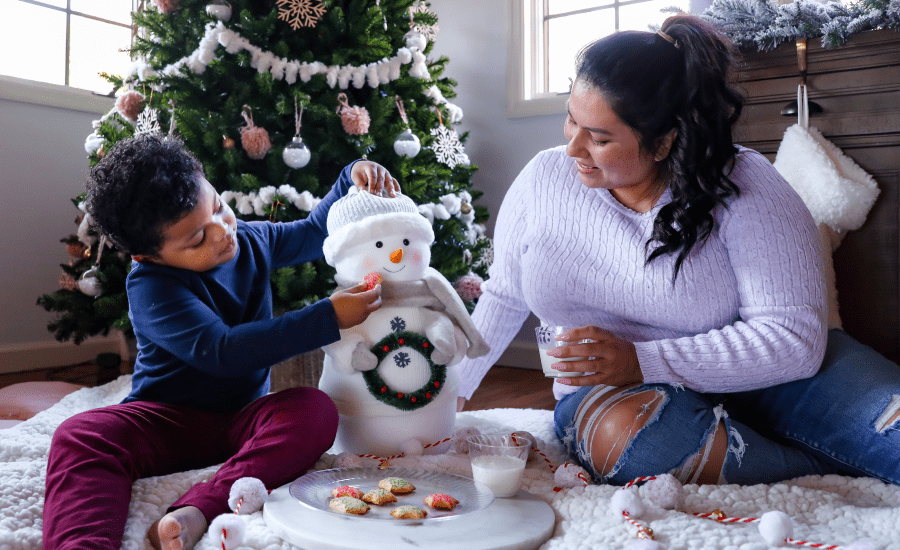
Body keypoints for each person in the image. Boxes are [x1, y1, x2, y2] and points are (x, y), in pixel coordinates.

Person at [457, 14, 900, 487]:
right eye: (572, 119)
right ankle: (820, 470)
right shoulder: (543, 180)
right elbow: (504, 294)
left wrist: (642, 358)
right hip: (618, 395)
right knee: (635, 441)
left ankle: (769, 451)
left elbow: (793, 338)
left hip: (775, 379)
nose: (573, 148)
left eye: (601, 138)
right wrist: (450, 398)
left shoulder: (746, 184)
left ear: (664, 141)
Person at [43, 133, 399, 550]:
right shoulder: (151, 286)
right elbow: (223, 351)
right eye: (196, 239)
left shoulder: (248, 238)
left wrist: (349, 181)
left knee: (314, 410)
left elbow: (311, 232)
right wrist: (326, 317)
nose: (222, 233)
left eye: (219, 207)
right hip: (165, 419)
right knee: (79, 434)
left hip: (242, 421)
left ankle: (202, 507)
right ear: (147, 255)